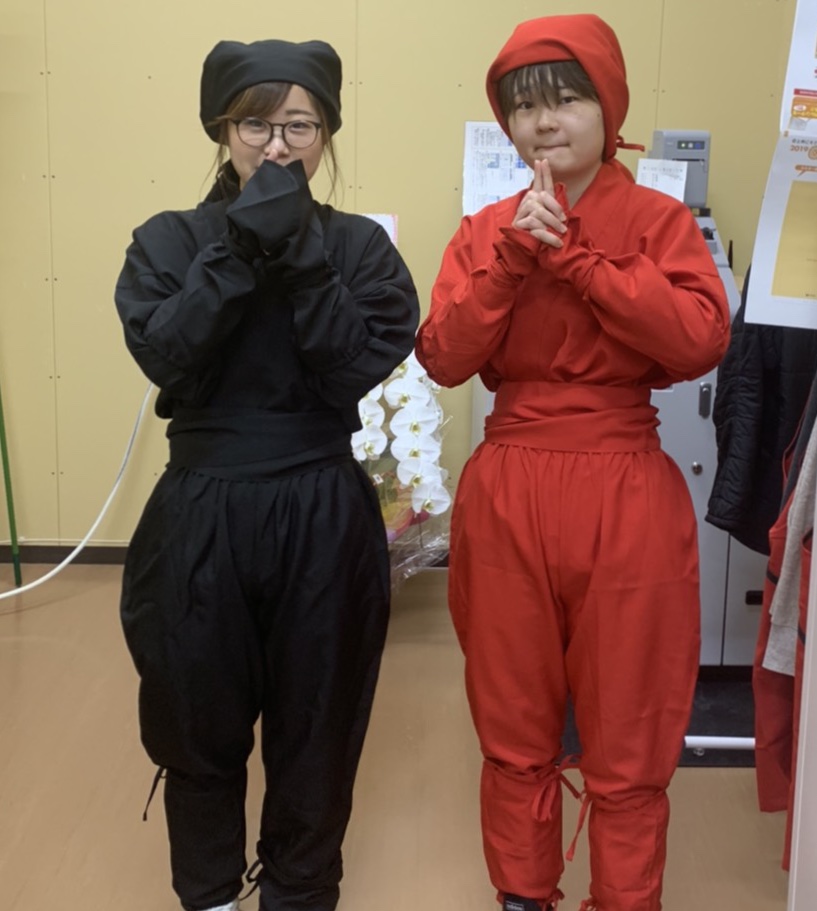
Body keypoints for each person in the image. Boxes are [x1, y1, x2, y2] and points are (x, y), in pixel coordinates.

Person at [415, 14, 730, 911]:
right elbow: (442, 355)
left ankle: (624, 898)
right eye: (523, 107)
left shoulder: (657, 221)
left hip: (625, 484)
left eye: (564, 100)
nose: (542, 122)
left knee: (630, 724)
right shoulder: (485, 229)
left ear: (609, 106)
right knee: (512, 715)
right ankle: (523, 895)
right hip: (509, 484)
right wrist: (513, 256)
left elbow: (699, 338)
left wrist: (582, 261)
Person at [114, 38, 419, 911]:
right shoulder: (167, 241)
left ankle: (298, 893)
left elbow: (349, 367)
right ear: (221, 128)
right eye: (256, 125)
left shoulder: (358, 248)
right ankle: (210, 893)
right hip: (202, 507)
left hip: (322, 504)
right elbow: (169, 356)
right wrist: (240, 246)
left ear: (326, 136)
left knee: (318, 726)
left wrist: (301, 254)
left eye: (300, 126)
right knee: (194, 719)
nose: (277, 147)